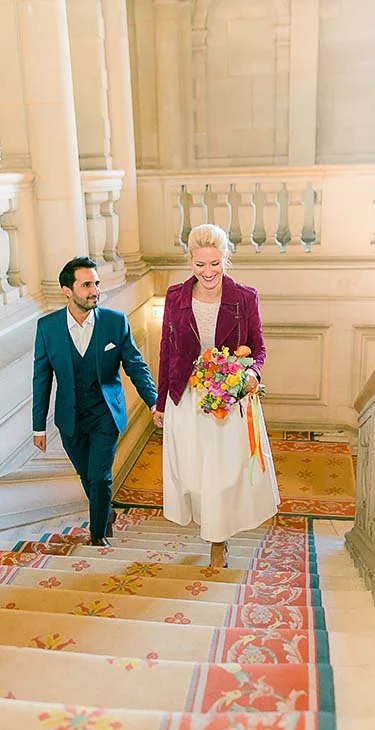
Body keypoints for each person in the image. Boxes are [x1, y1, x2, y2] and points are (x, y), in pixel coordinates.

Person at [153, 224, 280, 567]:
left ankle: (216, 542)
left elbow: (259, 349)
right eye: (200, 265)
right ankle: (210, 531)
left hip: (228, 399)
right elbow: (167, 350)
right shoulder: (175, 297)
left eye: (215, 264)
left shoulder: (245, 297)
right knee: (194, 475)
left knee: (221, 476)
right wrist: (161, 401)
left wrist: (251, 373)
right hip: (187, 399)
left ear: (226, 259)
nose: (208, 272)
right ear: (190, 262)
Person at [32, 256, 158, 546]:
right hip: (70, 419)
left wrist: (153, 402)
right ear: (67, 290)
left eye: (96, 283)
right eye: (86, 284)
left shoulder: (115, 322)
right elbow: (41, 379)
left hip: (105, 415)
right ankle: (106, 512)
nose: (95, 291)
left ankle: (98, 536)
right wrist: (39, 427)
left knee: (100, 477)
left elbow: (136, 366)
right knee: (87, 476)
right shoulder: (47, 328)